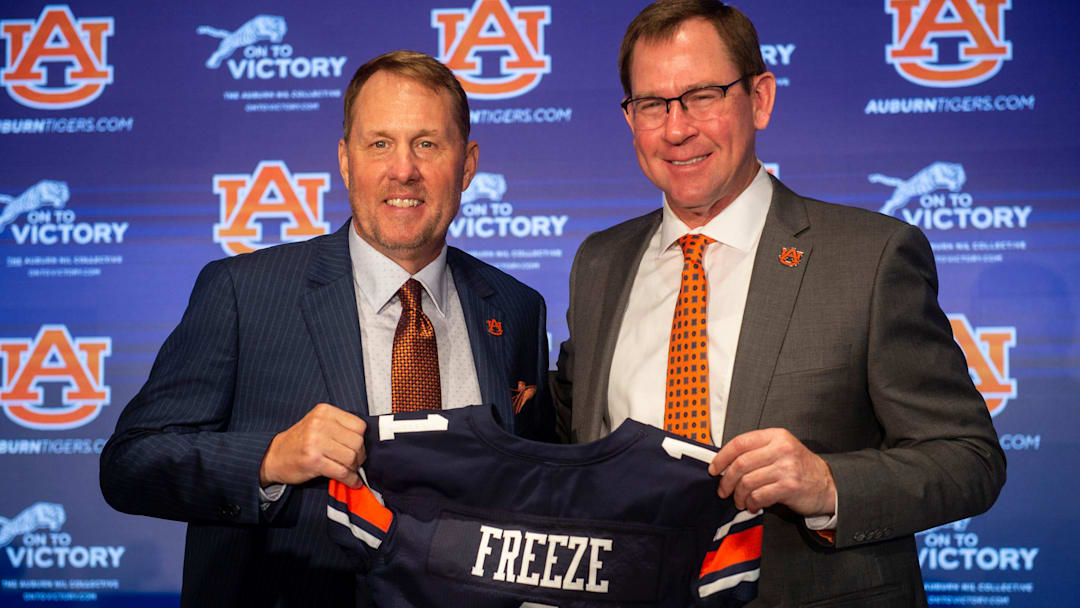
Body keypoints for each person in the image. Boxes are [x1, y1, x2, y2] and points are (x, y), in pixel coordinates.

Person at [552, 1, 1005, 605]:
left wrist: (827, 484)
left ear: (760, 99)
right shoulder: (600, 262)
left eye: (703, 95)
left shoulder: (870, 257)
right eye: (652, 104)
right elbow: (568, 440)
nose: (676, 128)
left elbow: (968, 459)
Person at [100, 50, 554, 607]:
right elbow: (129, 464)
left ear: (467, 164)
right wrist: (269, 459)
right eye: (379, 143)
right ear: (345, 160)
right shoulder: (244, 292)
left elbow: (540, 487)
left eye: (427, 144)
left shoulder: (517, 307)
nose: (403, 169)